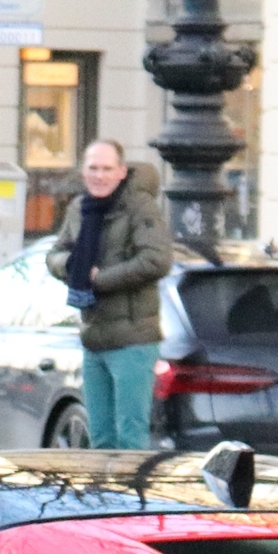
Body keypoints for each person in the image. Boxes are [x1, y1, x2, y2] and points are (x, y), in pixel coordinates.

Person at [46, 139, 173, 451]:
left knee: (130, 439)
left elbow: (156, 260)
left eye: (106, 169)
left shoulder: (140, 207)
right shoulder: (79, 209)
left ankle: (134, 500)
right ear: (83, 171)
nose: (99, 176)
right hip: (94, 338)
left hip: (133, 341)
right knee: (100, 439)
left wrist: (100, 279)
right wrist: (70, 266)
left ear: (121, 171)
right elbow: (55, 254)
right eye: (93, 168)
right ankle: (106, 500)